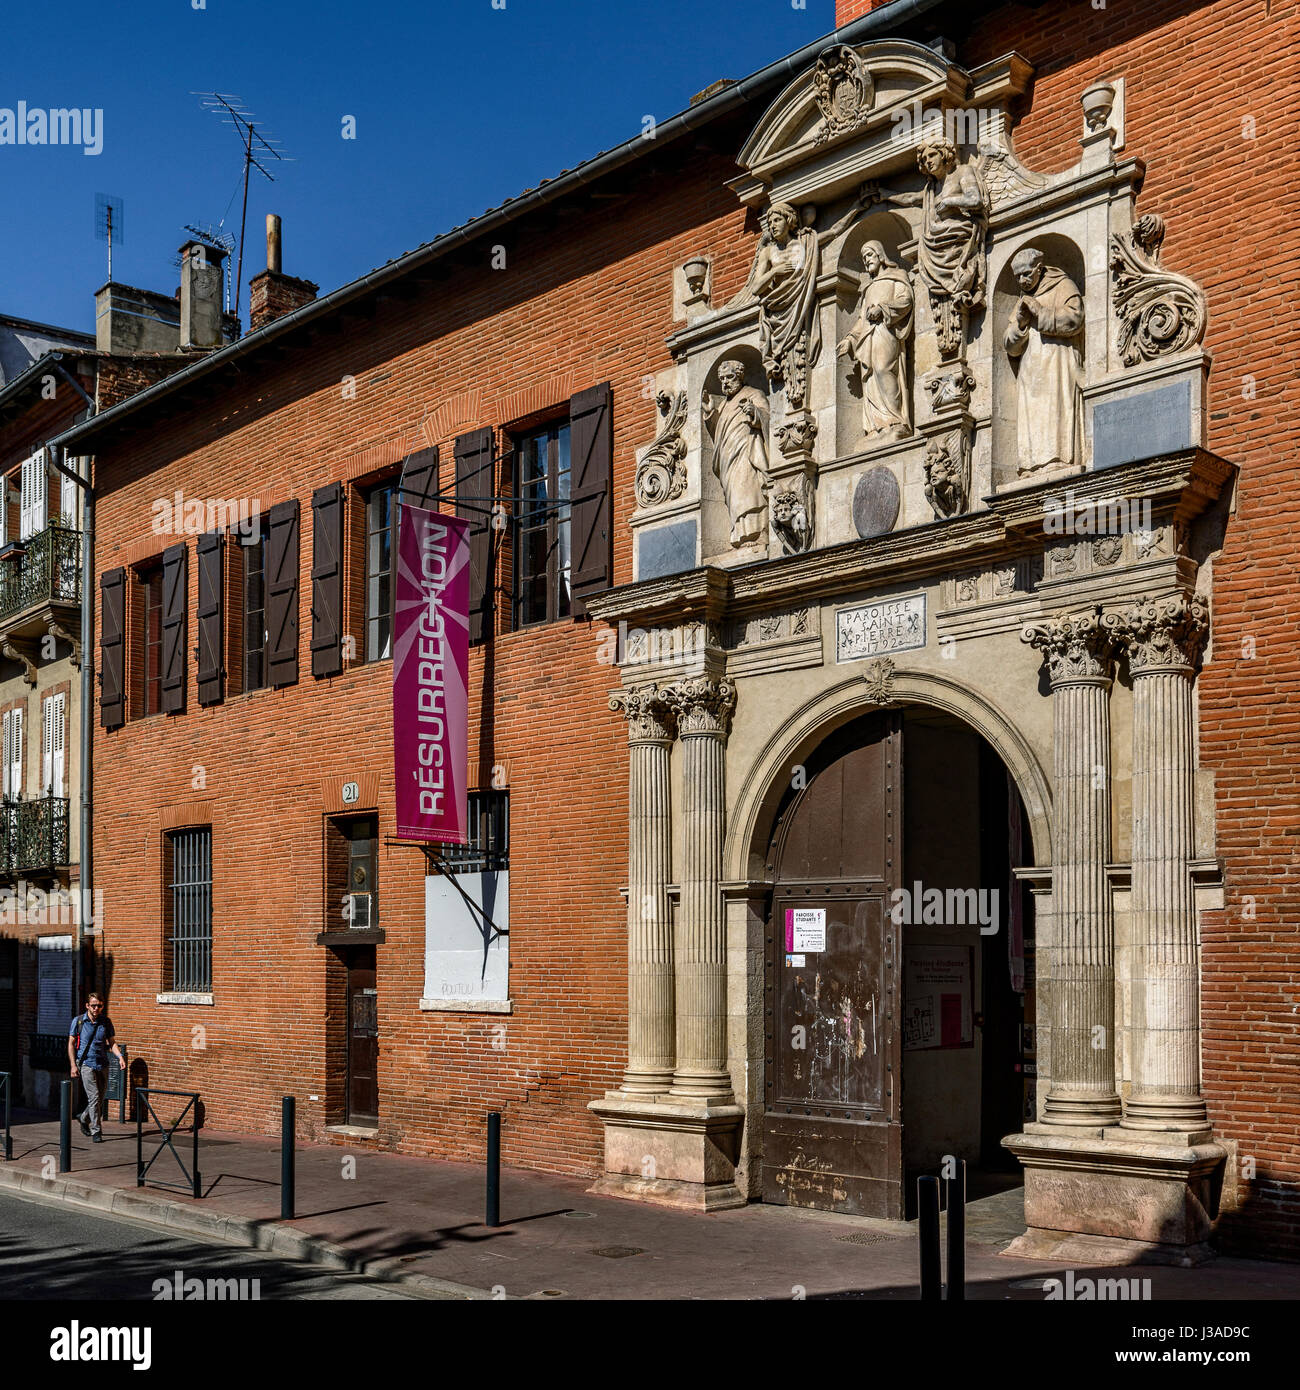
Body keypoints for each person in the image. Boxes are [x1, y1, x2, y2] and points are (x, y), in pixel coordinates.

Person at [1003, 246, 1085, 473]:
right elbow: (1010, 346)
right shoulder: (1022, 299)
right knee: (1033, 414)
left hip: (1057, 362)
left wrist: (1041, 312)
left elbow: (1075, 319)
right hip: (1030, 368)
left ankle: (1059, 459)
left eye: (1026, 274)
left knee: (1056, 407)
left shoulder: (1062, 285)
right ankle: (1030, 464)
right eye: (1018, 276)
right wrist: (1019, 324)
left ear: (1039, 269)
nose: (1022, 280)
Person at [837, 240, 914, 439]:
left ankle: (895, 420)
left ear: (880, 256)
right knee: (870, 378)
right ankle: (877, 426)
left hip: (885, 332)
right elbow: (862, 319)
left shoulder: (897, 277)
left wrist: (884, 309)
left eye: (869, 255)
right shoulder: (868, 289)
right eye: (863, 258)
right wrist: (850, 339)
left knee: (884, 369)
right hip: (868, 337)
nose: (866, 261)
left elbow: (906, 301)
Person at [68, 993, 125, 1142]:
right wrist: (73, 1065)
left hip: (103, 1063)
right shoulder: (79, 1021)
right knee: (93, 1097)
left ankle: (83, 1117)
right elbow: (71, 1044)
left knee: (99, 1098)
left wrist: (119, 1057)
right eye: (93, 1005)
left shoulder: (106, 1022)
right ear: (87, 1006)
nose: (96, 1008)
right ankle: (96, 1131)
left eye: (99, 1005)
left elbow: (112, 1043)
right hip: (86, 1063)